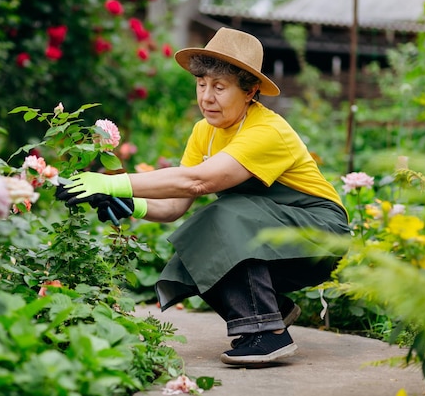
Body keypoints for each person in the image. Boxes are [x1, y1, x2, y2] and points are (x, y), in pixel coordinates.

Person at [57, 27, 350, 365]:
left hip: (320, 236)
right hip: (274, 236)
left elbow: (198, 181)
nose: (206, 97)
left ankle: (267, 336)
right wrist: (129, 205)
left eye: (220, 87)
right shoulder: (204, 131)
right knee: (198, 244)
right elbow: (173, 207)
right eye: (201, 84)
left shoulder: (267, 130)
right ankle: (272, 312)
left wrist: (113, 182)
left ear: (251, 91)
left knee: (223, 217)